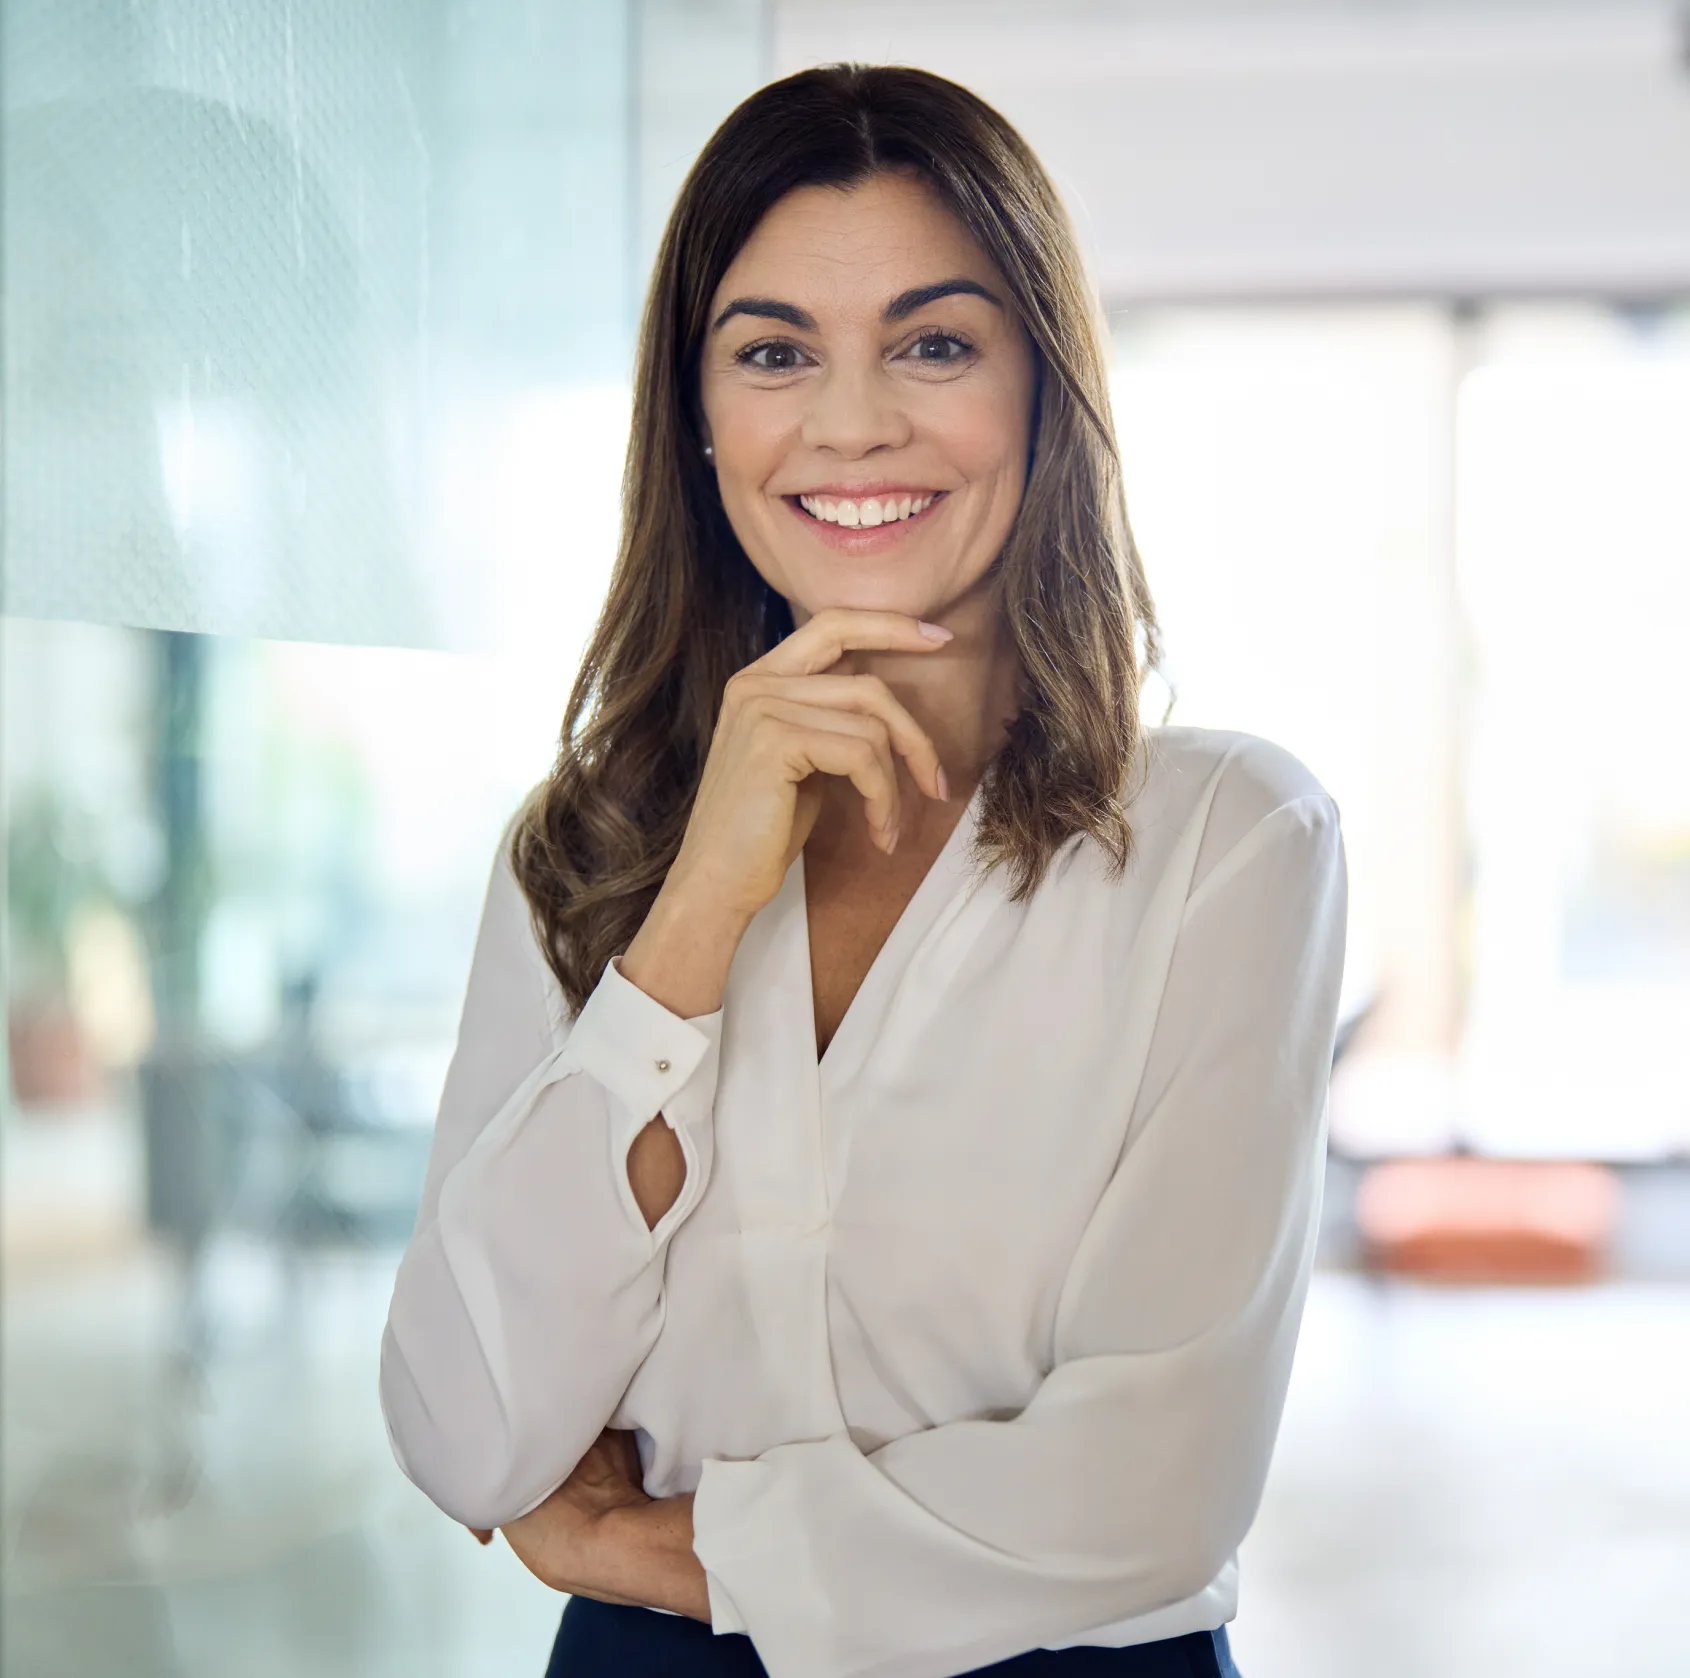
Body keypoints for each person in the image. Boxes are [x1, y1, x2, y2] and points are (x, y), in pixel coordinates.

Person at [380, 63, 1347, 1678]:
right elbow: (463, 1426)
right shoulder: (584, 848)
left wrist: (655, 1548)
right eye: (773, 352)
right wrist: (688, 916)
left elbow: (1152, 1488)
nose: (849, 422)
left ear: (1042, 391)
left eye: (933, 343)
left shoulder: (1226, 844)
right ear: (696, 419)